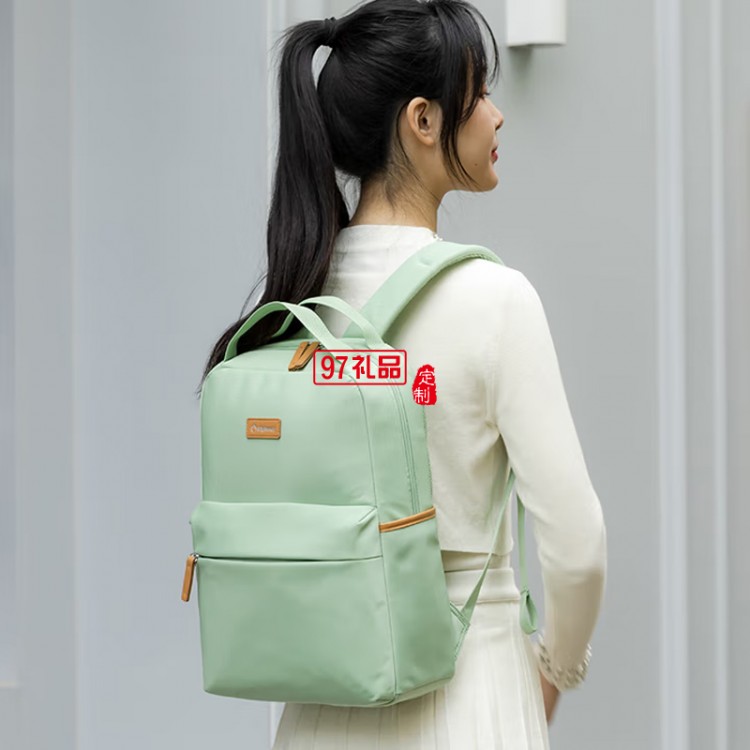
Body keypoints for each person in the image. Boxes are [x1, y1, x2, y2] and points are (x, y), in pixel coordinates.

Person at [198, 1, 608, 747]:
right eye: (478, 94)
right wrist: (558, 665)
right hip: (469, 689)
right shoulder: (496, 301)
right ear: (423, 120)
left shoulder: (294, 306)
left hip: (320, 706)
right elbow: (576, 547)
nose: (497, 116)